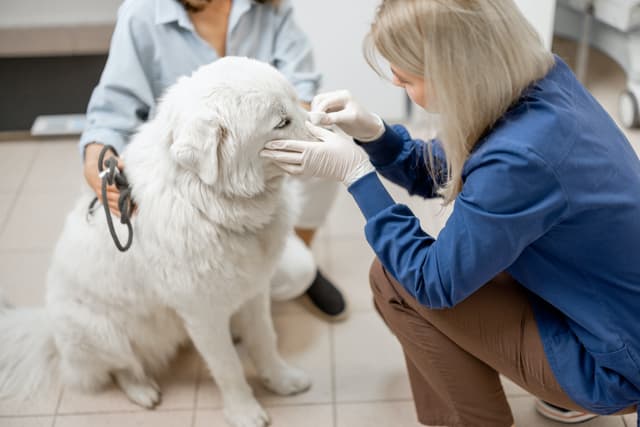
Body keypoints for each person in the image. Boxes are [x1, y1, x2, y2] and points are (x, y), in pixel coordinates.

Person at [261, 0, 640, 425]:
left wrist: (356, 175)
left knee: (393, 278)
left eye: (405, 79)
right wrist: (376, 135)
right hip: (614, 309)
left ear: (454, 71)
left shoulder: (520, 160)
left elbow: (431, 283)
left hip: (616, 365)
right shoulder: (538, 78)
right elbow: (451, 171)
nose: (396, 83)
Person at [79, 0, 347, 320]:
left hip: (257, 162)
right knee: (272, 277)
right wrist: (96, 154)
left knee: (328, 151)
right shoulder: (141, 14)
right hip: (195, 189)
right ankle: (224, 296)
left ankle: (293, 251)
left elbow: (301, 85)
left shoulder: (270, 9)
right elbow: (113, 111)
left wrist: (276, 119)